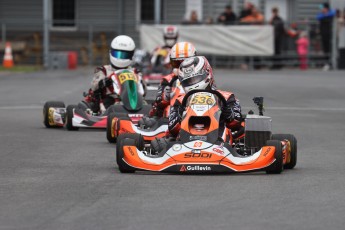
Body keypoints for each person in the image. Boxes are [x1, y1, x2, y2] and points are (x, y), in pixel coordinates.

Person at [168, 56, 242, 138]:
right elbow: (172, 128)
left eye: (195, 79)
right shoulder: (180, 101)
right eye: (188, 81)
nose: (192, 84)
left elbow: (236, 122)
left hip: (219, 141)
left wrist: (228, 114)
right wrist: (179, 115)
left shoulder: (226, 97)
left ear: (207, 73)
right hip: (186, 140)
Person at [140, 42, 197, 128]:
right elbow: (159, 104)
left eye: (185, 63)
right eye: (177, 64)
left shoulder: (203, 76)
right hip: (172, 117)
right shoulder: (168, 80)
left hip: (198, 111)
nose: (181, 67)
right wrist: (164, 98)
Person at [84, 35, 146, 114]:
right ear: (111, 52)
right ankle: (102, 113)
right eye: (117, 54)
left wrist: (140, 83)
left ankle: (138, 112)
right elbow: (94, 87)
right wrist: (104, 82)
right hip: (109, 99)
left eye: (124, 55)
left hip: (131, 99)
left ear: (131, 55)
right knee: (109, 103)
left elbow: (144, 91)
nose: (120, 58)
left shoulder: (135, 72)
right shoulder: (104, 70)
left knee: (144, 104)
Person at [316, 2, 336, 70]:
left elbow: (333, 13)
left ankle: (330, 63)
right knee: (325, 49)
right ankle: (326, 63)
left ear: (326, 8)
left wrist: (326, 15)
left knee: (329, 49)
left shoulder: (330, 14)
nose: (321, 9)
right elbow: (318, 17)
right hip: (323, 34)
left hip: (329, 34)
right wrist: (325, 15)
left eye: (323, 8)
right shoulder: (322, 15)